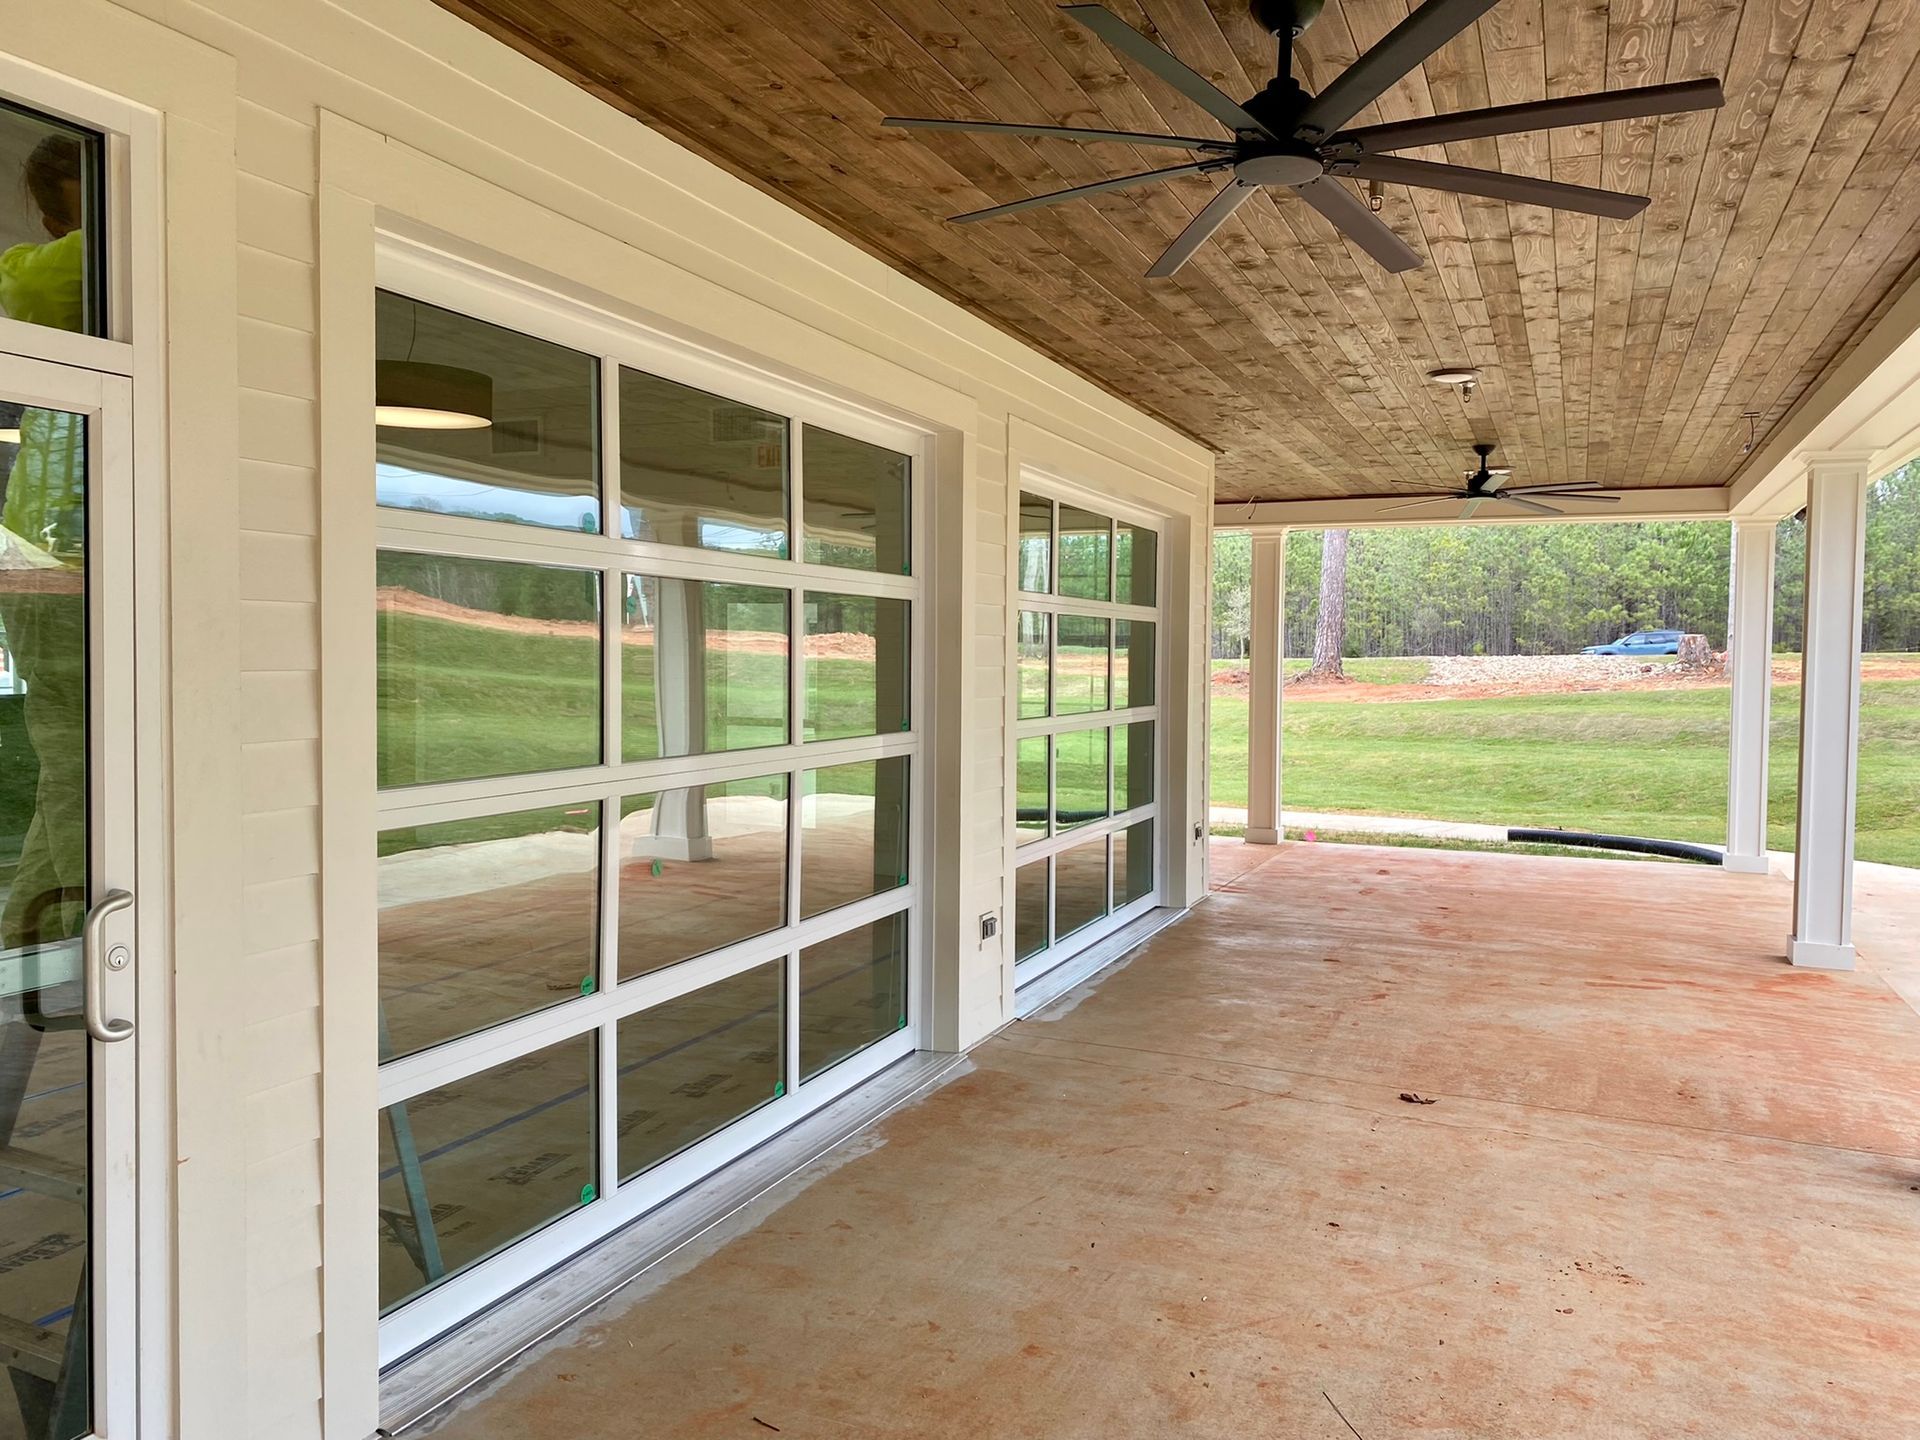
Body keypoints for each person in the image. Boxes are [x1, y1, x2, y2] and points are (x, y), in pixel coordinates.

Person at [0, 133, 89, 954]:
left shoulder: (54, 275)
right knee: (83, 764)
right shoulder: (86, 268)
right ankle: (99, 950)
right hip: (65, 560)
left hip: (43, 556)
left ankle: (21, 954)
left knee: (68, 763)